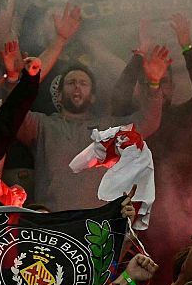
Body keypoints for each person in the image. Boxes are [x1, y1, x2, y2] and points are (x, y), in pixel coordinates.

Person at [14, 52, 169, 211]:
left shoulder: (108, 129)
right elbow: (10, 115)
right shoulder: (42, 126)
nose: (77, 87)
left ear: (93, 97)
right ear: (58, 95)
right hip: (52, 226)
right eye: (71, 82)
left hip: (96, 228)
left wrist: (154, 84)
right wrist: (13, 79)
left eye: (83, 83)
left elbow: (148, 121)